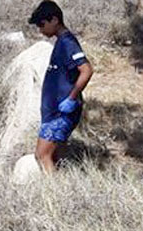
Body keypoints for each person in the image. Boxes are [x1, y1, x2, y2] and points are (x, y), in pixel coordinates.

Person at [29, 0, 94, 172]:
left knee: (42, 155)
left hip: (61, 113)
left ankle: (53, 189)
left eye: (42, 24)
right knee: (56, 157)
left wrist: (71, 98)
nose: (41, 30)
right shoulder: (60, 42)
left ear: (55, 20)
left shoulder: (68, 43)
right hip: (53, 112)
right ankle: (65, 183)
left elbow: (86, 70)